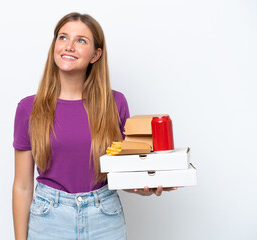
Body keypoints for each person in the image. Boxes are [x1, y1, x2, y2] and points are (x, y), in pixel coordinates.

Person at [12, 12, 175, 240]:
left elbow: (120, 173)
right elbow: (21, 185)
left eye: (81, 41)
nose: (69, 46)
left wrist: (145, 186)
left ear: (96, 54)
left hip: (104, 218)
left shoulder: (115, 103)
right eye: (63, 37)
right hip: (49, 220)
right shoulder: (29, 108)